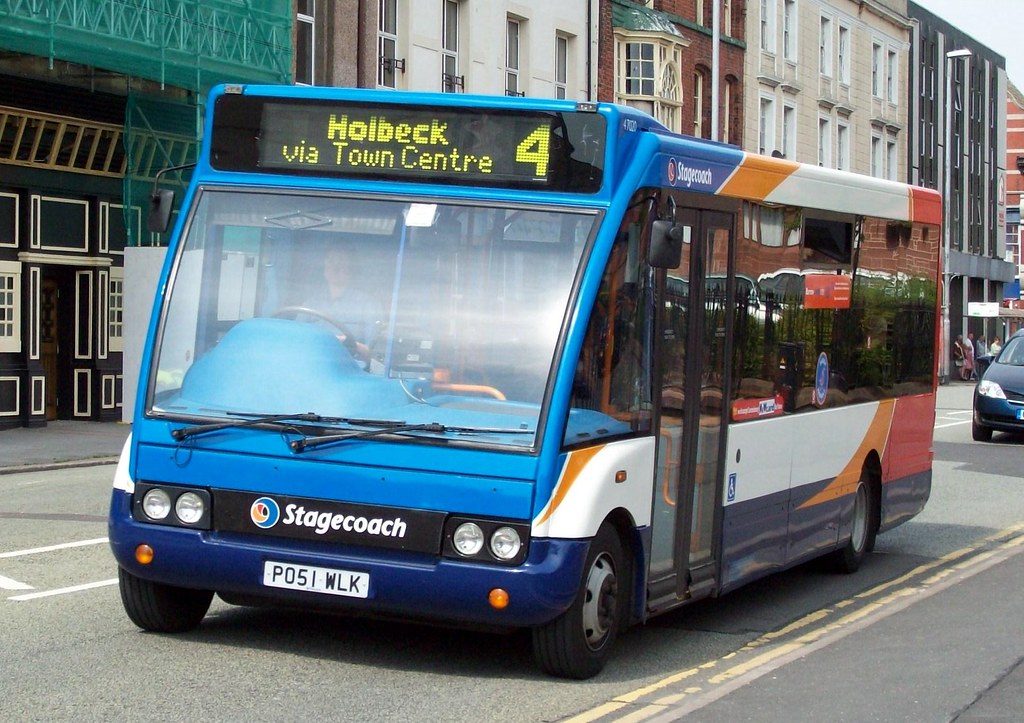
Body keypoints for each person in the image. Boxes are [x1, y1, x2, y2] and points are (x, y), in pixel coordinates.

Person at [301, 247, 384, 359]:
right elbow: (296, 342)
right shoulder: (311, 304)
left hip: (351, 370)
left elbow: (375, 355)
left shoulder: (368, 305)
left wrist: (351, 345)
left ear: (352, 269)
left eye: (341, 262)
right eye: (331, 261)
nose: (335, 267)